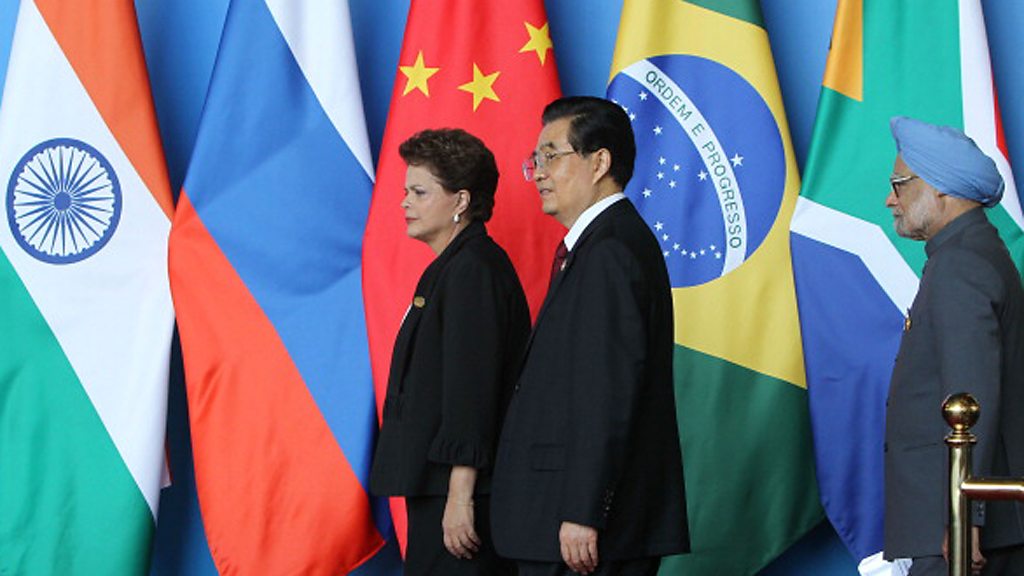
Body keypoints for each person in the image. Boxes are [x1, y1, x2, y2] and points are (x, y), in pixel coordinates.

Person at [490, 96, 689, 576]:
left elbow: (606, 390)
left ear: (599, 163)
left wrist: (583, 510)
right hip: (561, 521)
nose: (538, 173)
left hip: (587, 531)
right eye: (535, 160)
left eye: (551, 156)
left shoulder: (611, 251)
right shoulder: (600, 245)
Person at [369, 128, 528, 576]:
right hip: (438, 485)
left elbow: (471, 391)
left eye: (419, 192)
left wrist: (460, 496)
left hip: (460, 493)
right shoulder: (453, 267)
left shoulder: (473, 270)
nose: (405, 203)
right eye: (406, 191)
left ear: (461, 201)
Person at [883, 116, 1024, 576]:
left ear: (939, 187)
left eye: (899, 184)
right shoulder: (970, 252)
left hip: (957, 530)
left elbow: (970, 399)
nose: (890, 200)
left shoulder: (960, 263)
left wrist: (966, 517)